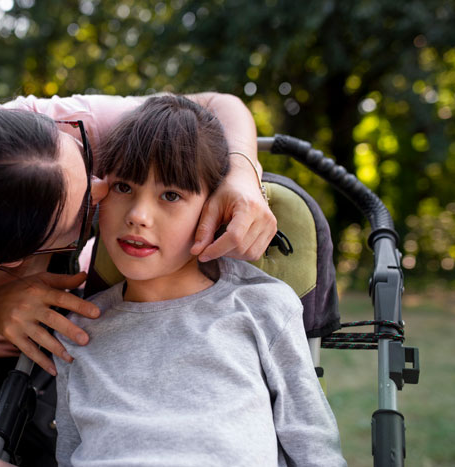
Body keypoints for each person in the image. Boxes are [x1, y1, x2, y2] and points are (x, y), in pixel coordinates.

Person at [0, 93, 276, 466]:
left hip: (73, 336)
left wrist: (243, 172)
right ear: (15, 261)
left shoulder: (57, 131)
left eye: (86, 162)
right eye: (87, 206)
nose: (106, 189)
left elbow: (219, 105)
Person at [53, 96, 347, 466]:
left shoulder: (261, 306)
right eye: (124, 188)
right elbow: (68, 453)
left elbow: (313, 445)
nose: (139, 216)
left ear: (215, 209)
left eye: (171, 195)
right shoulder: (76, 329)